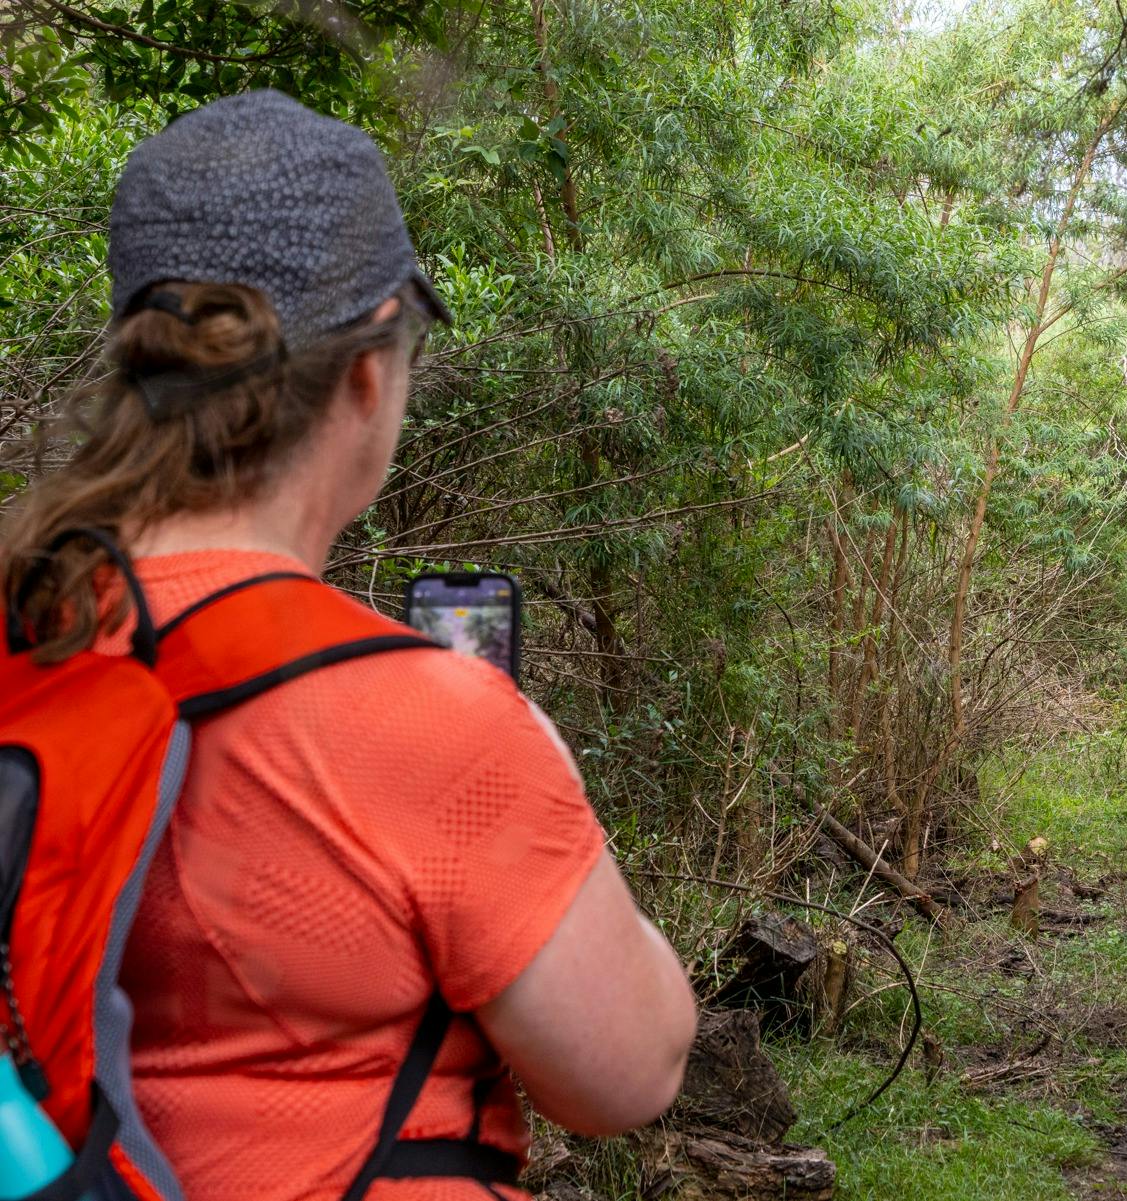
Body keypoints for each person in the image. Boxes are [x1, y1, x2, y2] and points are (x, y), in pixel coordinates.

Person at [0, 90, 696, 1200]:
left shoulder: (30, 639)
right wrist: (539, 767)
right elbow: (628, 1073)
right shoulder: (428, 721)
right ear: (370, 375)